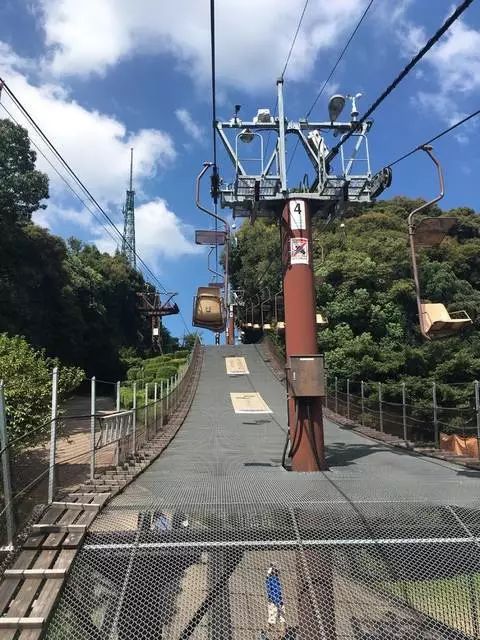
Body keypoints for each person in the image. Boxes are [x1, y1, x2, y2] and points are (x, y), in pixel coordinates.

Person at [265, 565, 286, 631]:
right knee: (277, 612)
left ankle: (272, 625)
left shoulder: (273, 580)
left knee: (274, 612)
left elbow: (274, 590)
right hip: (276, 599)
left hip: (275, 599)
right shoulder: (273, 580)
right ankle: (274, 625)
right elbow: (274, 590)